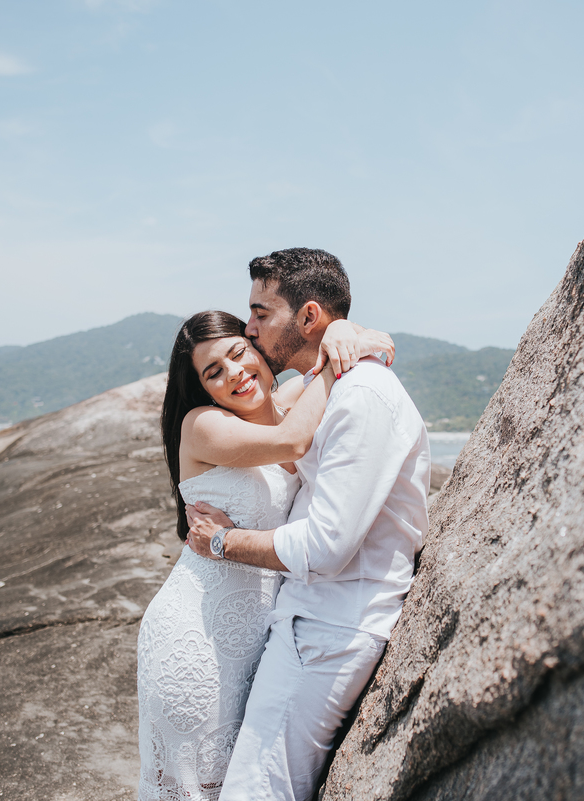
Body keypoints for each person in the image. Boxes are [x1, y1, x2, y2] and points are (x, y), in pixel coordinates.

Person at [185, 248, 431, 801]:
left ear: (309, 317)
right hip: (308, 622)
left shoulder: (361, 396)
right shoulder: (333, 389)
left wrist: (221, 540)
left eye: (260, 313)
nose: (249, 330)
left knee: (255, 792)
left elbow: (326, 545)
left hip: (329, 628)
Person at [137, 308, 392, 801]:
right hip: (196, 633)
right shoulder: (203, 425)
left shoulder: (285, 401)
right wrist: (338, 355)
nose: (234, 373)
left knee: (243, 780)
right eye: (214, 372)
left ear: (256, 348)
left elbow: (332, 356)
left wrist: (339, 332)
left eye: (238, 353)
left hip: (259, 633)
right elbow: (291, 440)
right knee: (200, 787)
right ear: (204, 389)